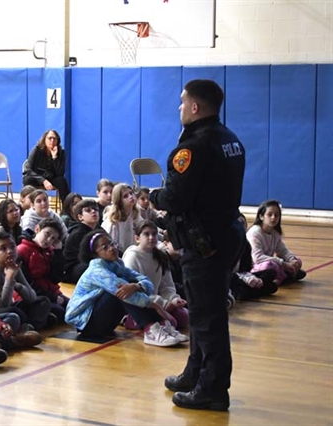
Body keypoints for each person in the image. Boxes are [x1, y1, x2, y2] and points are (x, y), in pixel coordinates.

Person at [149, 79, 246, 411]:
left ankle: (213, 389)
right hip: (225, 233)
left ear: (194, 107)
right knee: (203, 311)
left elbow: (176, 198)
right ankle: (196, 372)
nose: (178, 108)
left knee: (208, 318)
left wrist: (154, 196)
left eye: (182, 102)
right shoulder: (230, 139)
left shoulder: (194, 147)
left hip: (204, 242)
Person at [65, 231, 180, 347]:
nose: (111, 248)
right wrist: (153, 304)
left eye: (112, 244)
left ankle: (161, 326)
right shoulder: (96, 270)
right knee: (121, 291)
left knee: (128, 287)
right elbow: (123, 291)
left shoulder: (117, 265)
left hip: (107, 324)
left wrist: (137, 286)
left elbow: (145, 280)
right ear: (95, 255)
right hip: (87, 324)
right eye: (105, 247)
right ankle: (151, 329)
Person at [0, 232, 52, 330]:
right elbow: (3, 304)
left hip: (8, 306)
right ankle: (34, 324)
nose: (10, 251)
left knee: (43, 301)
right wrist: (9, 278)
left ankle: (29, 326)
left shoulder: (14, 267)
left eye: (12, 247)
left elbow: (32, 297)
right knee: (15, 312)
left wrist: (18, 286)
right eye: (3, 249)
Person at [122, 220, 189, 333]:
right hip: (141, 304)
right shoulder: (132, 257)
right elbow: (133, 292)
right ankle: (131, 319)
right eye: (146, 234)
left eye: (154, 234)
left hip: (158, 302)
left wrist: (173, 298)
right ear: (137, 238)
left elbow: (167, 284)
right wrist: (163, 303)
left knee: (184, 317)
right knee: (171, 323)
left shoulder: (160, 256)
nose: (151, 237)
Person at [17, 218, 68, 323]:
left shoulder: (50, 251)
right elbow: (26, 283)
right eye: (47, 234)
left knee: (73, 308)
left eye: (53, 239)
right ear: (37, 229)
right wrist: (53, 298)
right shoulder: (22, 250)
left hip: (51, 292)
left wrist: (58, 253)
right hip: (33, 295)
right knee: (60, 312)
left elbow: (56, 278)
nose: (49, 240)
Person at [247, 199, 307, 285]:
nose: (273, 218)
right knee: (270, 266)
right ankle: (283, 277)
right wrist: (283, 264)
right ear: (261, 216)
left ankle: (282, 275)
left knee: (298, 261)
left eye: (276, 215)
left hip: (270, 263)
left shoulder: (275, 233)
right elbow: (257, 258)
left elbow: (282, 250)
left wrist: (292, 260)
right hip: (253, 266)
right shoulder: (254, 233)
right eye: (269, 214)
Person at [23, 130, 70, 203]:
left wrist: (54, 158)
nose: (52, 140)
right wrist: (43, 180)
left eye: (55, 138)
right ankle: (29, 205)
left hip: (51, 177)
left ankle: (67, 208)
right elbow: (28, 169)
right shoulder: (37, 150)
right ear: (44, 139)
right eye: (50, 138)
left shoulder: (61, 152)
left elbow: (60, 173)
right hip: (37, 177)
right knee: (27, 180)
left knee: (62, 181)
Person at [63, 199, 100, 284]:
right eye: (88, 210)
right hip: (74, 269)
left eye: (95, 209)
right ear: (80, 217)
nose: (93, 211)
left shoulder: (99, 230)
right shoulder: (77, 233)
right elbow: (86, 257)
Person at [101, 183, 142, 255]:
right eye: (125, 196)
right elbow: (112, 246)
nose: (131, 196)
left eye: (131, 193)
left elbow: (144, 226)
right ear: (119, 201)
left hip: (134, 253)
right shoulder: (113, 221)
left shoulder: (135, 213)